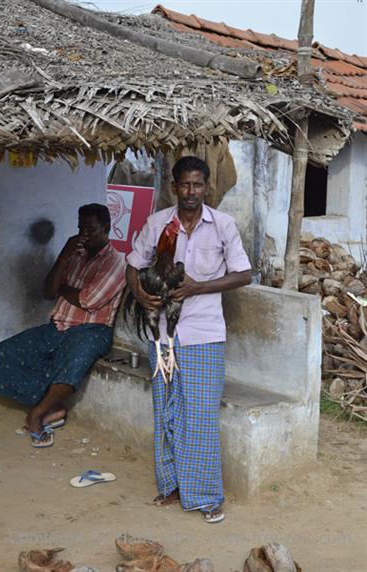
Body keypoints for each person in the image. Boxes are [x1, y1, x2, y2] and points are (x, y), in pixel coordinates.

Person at [126, 156, 251, 524]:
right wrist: (138, 294)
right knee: (165, 410)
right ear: (174, 187)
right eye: (185, 184)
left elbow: (243, 274)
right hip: (161, 333)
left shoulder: (224, 225)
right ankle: (172, 486)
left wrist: (199, 288)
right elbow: (133, 265)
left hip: (203, 333)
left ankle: (207, 496)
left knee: (200, 416)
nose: (191, 191)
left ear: (207, 187)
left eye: (198, 184)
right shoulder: (157, 224)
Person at [0, 203, 125, 447]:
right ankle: (53, 406)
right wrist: (64, 254)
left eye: (91, 229)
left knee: (74, 361)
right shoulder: (75, 255)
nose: (84, 234)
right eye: (80, 228)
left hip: (91, 330)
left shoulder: (116, 263)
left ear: (107, 228)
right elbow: (48, 291)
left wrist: (65, 289)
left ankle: (37, 414)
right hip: (56, 327)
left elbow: (88, 300)